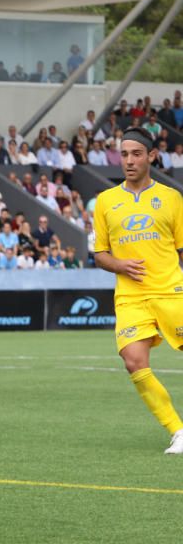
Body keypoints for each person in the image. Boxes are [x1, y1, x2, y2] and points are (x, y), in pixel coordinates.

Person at [93, 127, 183, 454]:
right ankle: (177, 430)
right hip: (130, 297)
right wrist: (119, 265)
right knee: (133, 361)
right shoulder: (106, 201)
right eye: (124, 154)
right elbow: (100, 253)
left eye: (136, 154)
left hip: (171, 291)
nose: (128, 161)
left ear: (151, 156)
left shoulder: (172, 199)